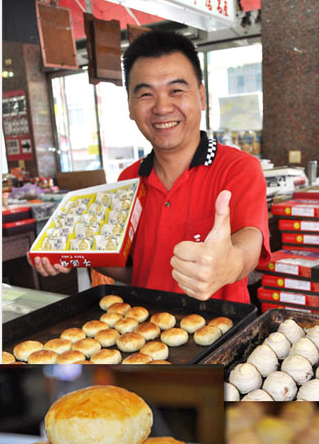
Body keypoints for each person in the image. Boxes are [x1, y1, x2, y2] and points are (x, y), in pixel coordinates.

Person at [30, 30, 270, 303]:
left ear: (202, 96)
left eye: (176, 90)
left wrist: (232, 263)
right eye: (145, 94)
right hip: (144, 331)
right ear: (130, 107)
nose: (162, 107)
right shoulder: (128, 180)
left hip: (221, 332)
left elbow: (251, 239)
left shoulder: (238, 168)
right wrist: (75, 253)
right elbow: (137, 270)